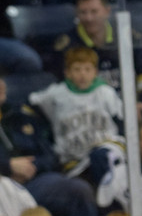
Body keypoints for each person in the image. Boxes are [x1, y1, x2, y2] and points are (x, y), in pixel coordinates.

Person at [49, 0, 142, 126]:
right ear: (76, 13)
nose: (89, 18)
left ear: (107, 11)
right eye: (83, 12)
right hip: (91, 114)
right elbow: (64, 88)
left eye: (94, 11)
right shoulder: (67, 45)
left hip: (134, 107)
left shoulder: (128, 37)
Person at [0, 75, 99, 216]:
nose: (1, 85)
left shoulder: (19, 116)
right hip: (3, 187)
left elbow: (51, 157)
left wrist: (31, 167)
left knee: (78, 190)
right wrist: (9, 167)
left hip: (33, 183)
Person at [28, 46, 125, 182]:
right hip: (73, 161)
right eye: (77, 69)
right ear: (67, 72)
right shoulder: (56, 94)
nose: (82, 74)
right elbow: (32, 103)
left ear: (95, 72)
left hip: (105, 154)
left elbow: (121, 121)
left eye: (87, 69)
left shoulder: (106, 92)